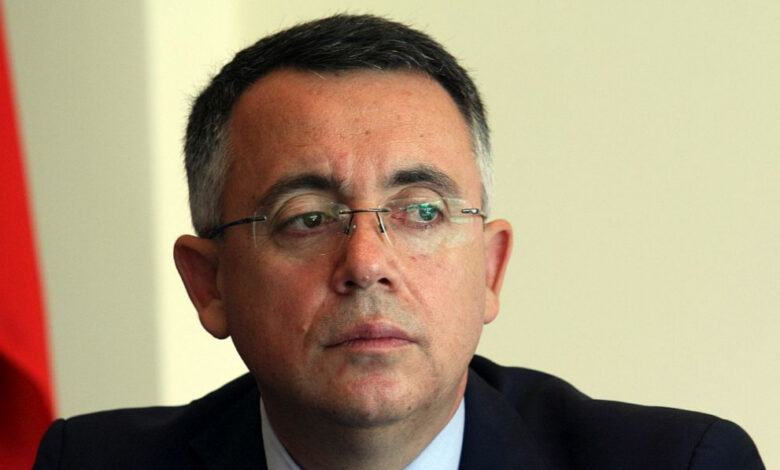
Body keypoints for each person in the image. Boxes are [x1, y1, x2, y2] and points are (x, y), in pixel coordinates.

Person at [33, 14, 764, 470]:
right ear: (209, 284)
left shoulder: (683, 463)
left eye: (420, 211)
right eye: (308, 218)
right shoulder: (88, 462)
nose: (367, 264)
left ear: (491, 270)